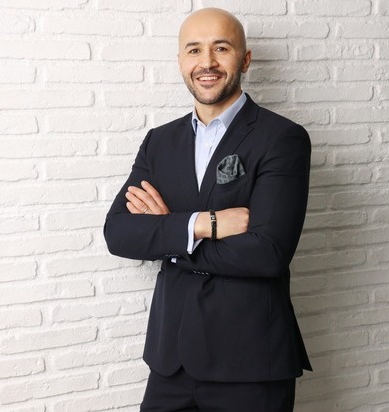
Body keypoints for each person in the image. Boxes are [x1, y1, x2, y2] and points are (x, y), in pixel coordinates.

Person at [104, 7, 312, 411]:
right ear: (181, 61)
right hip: (171, 361)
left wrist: (167, 235)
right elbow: (118, 233)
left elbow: (267, 253)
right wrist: (203, 224)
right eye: (194, 50)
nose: (207, 63)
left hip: (250, 361)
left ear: (245, 60)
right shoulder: (159, 142)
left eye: (221, 48)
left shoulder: (281, 138)